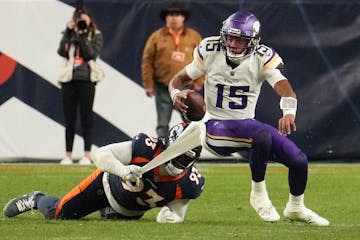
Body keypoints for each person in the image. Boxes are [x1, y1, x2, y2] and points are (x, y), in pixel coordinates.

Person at [168, 10, 329, 226]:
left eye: (240, 39)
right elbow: (177, 80)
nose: (233, 43)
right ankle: (258, 193)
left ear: (252, 41)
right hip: (214, 125)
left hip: (245, 125)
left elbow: (285, 89)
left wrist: (289, 112)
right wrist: (175, 94)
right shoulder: (210, 49)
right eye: (230, 37)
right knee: (260, 136)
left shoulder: (262, 57)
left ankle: (296, 207)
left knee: (298, 161)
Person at [3, 123, 204, 223]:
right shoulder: (146, 148)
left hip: (129, 212)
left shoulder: (189, 183)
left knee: (112, 219)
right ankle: (36, 199)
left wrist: (171, 217)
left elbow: (177, 211)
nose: (179, 161)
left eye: (186, 158)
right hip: (106, 185)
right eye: (176, 154)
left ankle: (108, 211)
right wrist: (123, 171)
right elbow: (99, 155)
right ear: (168, 145)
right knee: (59, 214)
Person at [141, 3, 204, 138]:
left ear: (183, 18)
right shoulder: (156, 37)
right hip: (163, 86)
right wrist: (148, 85)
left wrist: (200, 81)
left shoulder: (194, 36)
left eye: (178, 14)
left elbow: (204, 60)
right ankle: (162, 152)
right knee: (163, 123)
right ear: (165, 18)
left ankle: (189, 152)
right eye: (171, 15)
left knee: (190, 122)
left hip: (186, 88)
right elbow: (147, 61)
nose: (174, 18)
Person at [57, 7, 103, 165]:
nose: (82, 22)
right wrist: (68, 32)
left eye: (84, 19)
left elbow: (90, 55)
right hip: (68, 80)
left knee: (86, 118)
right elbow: (61, 51)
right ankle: (68, 155)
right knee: (69, 119)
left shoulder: (95, 35)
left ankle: (87, 155)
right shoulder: (69, 34)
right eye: (79, 20)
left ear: (90, 20)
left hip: (87, 80)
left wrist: (82, 37)